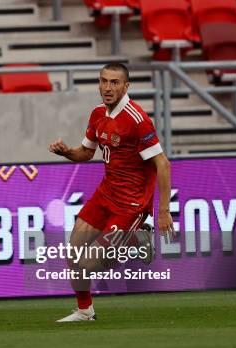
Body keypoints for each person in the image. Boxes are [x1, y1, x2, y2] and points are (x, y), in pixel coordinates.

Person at [49, 63, 175, 322]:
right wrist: (67, 152)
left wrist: (163, 210)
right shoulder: (97, 113)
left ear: (126, 86)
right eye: (104, 81)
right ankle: (85, 311)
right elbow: (86, 152)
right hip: (105, 195)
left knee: (90, 264)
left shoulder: (137, 120)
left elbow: (162, 163)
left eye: (114, 82)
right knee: (73, 253)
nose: (108, 87)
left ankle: (137, 240)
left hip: (131, 204)